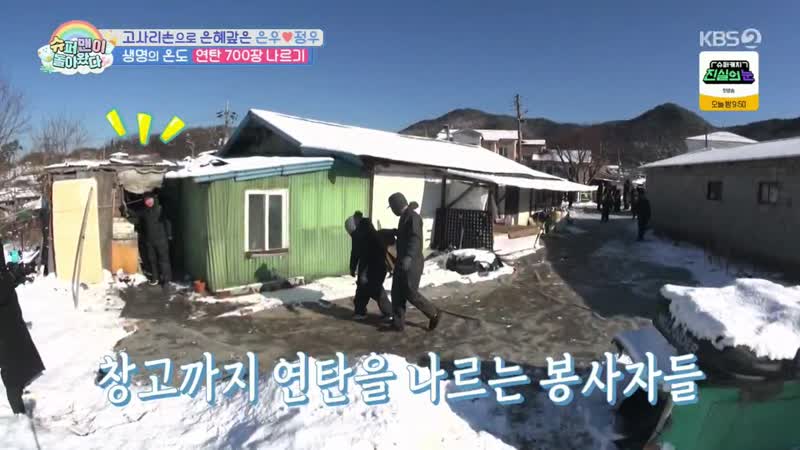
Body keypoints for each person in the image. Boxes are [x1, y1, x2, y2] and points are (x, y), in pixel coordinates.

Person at [387, 193, 441, 332]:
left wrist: (409, 257)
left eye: (392, 207)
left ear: (397, 205)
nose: (392, 210)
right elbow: (407, 235)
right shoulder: (405, 217)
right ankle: (398, 323)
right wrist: (396, 232)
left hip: (412, 262)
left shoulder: (413, 217)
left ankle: (434, 313)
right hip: (402, 260)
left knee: (410, 292)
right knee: (397, 292)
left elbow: (415, 239)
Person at [0, 251, 45, 415]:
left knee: (19, 363)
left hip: (10, 325)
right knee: (12, 370)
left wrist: (15, 275)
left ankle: (21, 405)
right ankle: (19, 415)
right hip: (4, 330)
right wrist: (11, 276)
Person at [346, 211, 392, 321]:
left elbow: (356, 253)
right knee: (363, 288)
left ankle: (389, 312)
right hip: (370, 266)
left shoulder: (365, 233)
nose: (352, 235)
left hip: (373, 266)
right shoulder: (363, 232)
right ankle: (360, 311)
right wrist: (353, 268)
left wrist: (356, 269)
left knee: (374, 289)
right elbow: (356, 252)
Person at [139, 194, 172, 288]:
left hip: (161, 240)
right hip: (150, 241)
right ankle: (155, 278)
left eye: (150, 199)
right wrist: (126, 210)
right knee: (152, 260)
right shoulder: (145, 211)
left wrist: (169, 235)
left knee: (163, 260)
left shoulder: (161, 210)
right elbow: (136, 215)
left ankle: (166, 280)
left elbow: (167, 222)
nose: (148, 202)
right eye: (146, 200)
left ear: (154, 199)